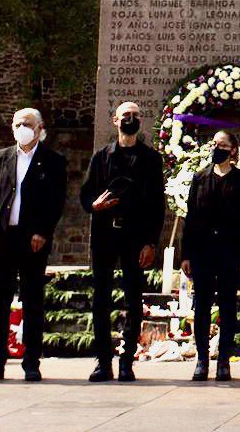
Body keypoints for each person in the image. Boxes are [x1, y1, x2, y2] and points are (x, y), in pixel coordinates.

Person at [0, 109, 67, 382]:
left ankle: (31, 363)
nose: (22, 128)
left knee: (33, 301)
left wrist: (43, 231)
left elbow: (56, 200)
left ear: (39, 128)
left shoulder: (53, 160)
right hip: (3, 239)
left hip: (33, 240)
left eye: (27, 124)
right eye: (17, 124)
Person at [80, 100, 166, 382]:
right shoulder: (101, 157)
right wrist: (95, 205)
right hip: (105, 234)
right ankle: (103, 361)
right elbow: (85, 195)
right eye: (125, 115)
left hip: (135, 236)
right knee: (101, 299)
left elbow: (157, 204)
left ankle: (127, 360)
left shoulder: (151, 159)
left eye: (135, 115)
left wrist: (151, 242)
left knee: (133, 298)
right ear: (115, 120)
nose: (131, 118)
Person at [180, 129, 240, 381]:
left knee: (227, 306)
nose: (216, 148)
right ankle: (202, 360)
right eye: (214, 143)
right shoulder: (200, 178)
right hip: (202, 252)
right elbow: (191, 218)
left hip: (229, 252)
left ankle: (224, 360)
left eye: (222, 145)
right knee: (201, 306)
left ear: (233, 150)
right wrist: (186, 254)